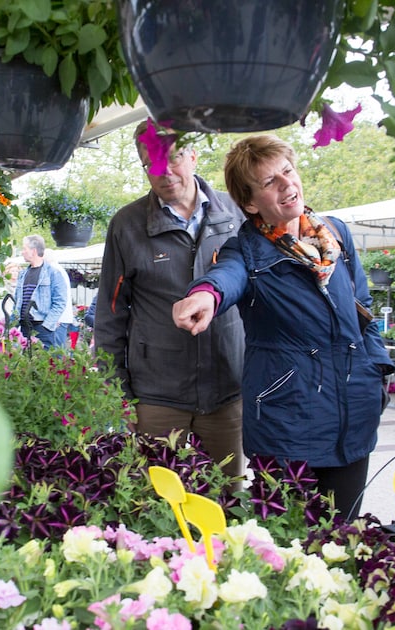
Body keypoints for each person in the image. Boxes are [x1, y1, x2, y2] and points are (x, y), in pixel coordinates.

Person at [172, 135, 394, 517]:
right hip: (288, 420)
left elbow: (363, 309)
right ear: (250, 202)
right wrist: (205, 295)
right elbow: (226, 277)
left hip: (352, 411)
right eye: (269, 182)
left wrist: (377, 370)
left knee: (343, 540)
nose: (287, 185)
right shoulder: (244, 250)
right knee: (287, 545)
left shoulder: (335, 234)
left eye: (287, 171)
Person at [95, 120, 246, 478]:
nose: (164, 171)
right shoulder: (127, 225)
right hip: (157, 398)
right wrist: (117, 393)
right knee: (156, 504)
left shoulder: (235, 214)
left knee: (229, 497)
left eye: (174, 158)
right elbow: (110, 313)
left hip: (227, 392)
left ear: (193, 155)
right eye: (152, 164)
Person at [12, 235, 68, 349]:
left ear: (33, 251)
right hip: (24, 327)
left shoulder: (53, 273)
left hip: (41, 328)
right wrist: (10, 325)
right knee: (24, 364)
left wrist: (46, 326)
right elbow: (17, 302)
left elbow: (60, 302)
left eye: (24, 249)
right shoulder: (23, 274)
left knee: (44, 364)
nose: (22, 252)